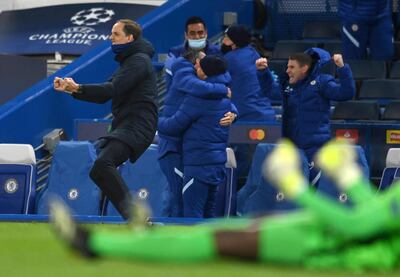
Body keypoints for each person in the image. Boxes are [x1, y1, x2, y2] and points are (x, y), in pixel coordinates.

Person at [50, 139, 400, 271]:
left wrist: (295, 185)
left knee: (203, 243)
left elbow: (358, 226)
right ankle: (95, 244)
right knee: (206, 235)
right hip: (315, 235)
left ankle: (94, 244)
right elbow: (375, 215)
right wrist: (351, 179)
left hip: (323, 246)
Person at [53, 19, 158, 220]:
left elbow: (110, 90)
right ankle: (136, 219)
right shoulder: (130, 61)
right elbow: (103, 94)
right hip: (129, 124)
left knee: (103, 165)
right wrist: (72, 88)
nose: (111, 38)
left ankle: (138, 218)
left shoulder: (139, 61)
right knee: (98, 171)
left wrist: (76, 88)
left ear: (130, 37)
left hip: (138, 124)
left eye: (115, 34)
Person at [256, 47, 355, 186]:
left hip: (315, 148)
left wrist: (342, 68)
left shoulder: (322, 83)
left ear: (304, 68)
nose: (287, 70)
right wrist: (262, 72)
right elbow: (270, 92)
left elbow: (346, 93)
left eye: (292, 67)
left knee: (314, 188)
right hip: (292, 148)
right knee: (294, 191)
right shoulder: (288, 87)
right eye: (287, 66)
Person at [158, 50, 235, 217]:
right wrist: (224, 91)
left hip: (194, 160)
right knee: (196, 208)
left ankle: (183, 243)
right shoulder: (185, 73)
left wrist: (150, 121)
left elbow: (174, 125)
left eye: (200, 64)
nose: (196, 66)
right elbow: (205, 88)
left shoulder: (201, 98)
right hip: (189, 154)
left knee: (187, 210)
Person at [221, 24, 279, 187]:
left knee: (244, 172)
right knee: (265, 170)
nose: (224, 41)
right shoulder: (254, 53)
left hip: (246, 120)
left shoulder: (230, 60)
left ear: (235, 42)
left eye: (227, 38)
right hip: (267, 118)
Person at [164, 16, 221, 88]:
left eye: (200, 32)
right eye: (192, 33)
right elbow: (170, 83)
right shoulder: (175, 53)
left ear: (206, 33)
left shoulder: (218, 52)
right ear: (186, 35)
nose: (197, 37)